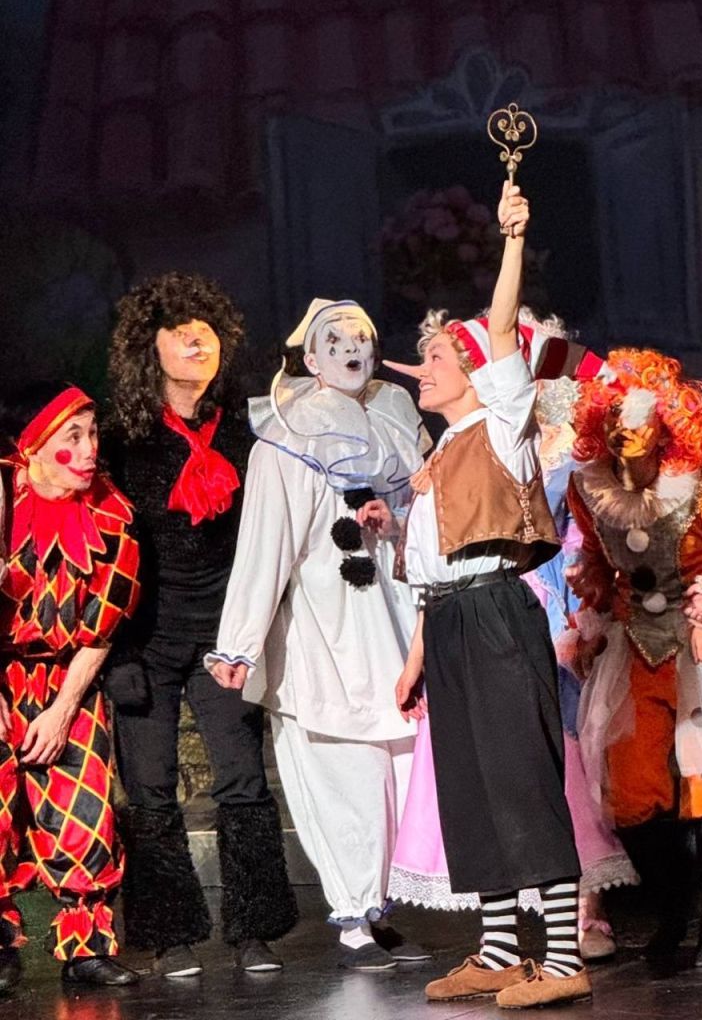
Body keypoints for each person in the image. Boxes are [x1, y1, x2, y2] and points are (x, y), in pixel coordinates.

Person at [386, 183, 591, 1009]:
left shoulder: (503, 421)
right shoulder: (440, 451)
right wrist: (416, 658)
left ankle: (564, 957)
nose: (423, 367)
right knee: (470, 788)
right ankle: (502, 949)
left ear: (476, 372)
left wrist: (512, 240)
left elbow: (503, 328)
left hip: (499, 613)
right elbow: (430, 571)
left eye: (438, 357)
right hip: (452, 621)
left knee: (520, 780)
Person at [206, 298, 431, 970]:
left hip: (390, 621)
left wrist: (397, 526)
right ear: (310, 358)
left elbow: (424, 519)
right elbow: (264, 546)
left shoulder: (393, 416)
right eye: (336, 340)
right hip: (323, 632)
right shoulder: (288, 436)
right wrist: (239, 642)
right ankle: (352, 915)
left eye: (362, 337)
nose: (353, 349)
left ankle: (380, 908)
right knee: (342, 774)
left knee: (396, 773)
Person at [105, 272, 296, 978]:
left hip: (225, 634)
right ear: (149, 346)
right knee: (150, 790)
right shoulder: (121, 440)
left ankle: (254, 929)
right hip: (146, 639)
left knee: (243, 780)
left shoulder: (248, 430)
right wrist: (116, 651)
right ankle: (170, 933)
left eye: (206, 330)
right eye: (180, 330)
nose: (196, 341)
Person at [567, 348, 702, 966]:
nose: (626, 430)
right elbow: (597, 561)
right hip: (634, 642)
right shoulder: (590, 488)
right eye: (614, 417)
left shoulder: (696, 483)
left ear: (666, 423)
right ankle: (673, 904)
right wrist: (593, 615)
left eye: (639, 417)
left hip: (699, 638)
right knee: (634, 790)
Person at [0, 383, 141, 990]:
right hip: (4, 670)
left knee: (84, 808)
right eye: (72, 437)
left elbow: (101, 629)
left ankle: (86, 947)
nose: (89, 451)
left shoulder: (111, 514)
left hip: (68, 676)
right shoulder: (3, 500)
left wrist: (61, 711)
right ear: (32, 447)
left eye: (93, 434)